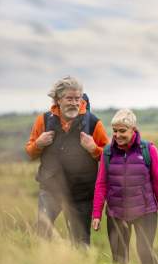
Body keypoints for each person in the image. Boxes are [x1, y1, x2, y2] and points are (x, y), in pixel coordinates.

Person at [25, 76, 109, 246]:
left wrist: (94, 148)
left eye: (77, 98)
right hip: (50, 189)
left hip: (82, 192)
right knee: (42, 235)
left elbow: (109, 157)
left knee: (80, 242)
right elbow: (30, 153)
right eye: (69, 98)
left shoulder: (93, 123)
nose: (74, 103)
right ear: (58, 99)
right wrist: (38, 144)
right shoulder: (43, 120)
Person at [91, 108, 158, 264]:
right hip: (116, 214)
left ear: (133, 130)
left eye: (122, 131)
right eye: (114, 131)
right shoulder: (107, 153)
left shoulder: (149, 150)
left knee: (146, 255)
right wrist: (97, 214)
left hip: (145, 212)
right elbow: (101, 184)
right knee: (119, 261)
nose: (117, 135)